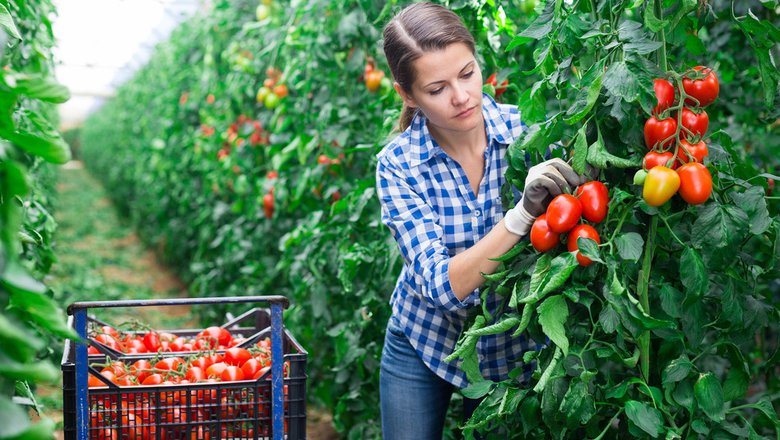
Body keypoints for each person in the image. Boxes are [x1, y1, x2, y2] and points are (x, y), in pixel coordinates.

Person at [376, 2, 589, 439]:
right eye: (436, 88)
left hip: (512, 348)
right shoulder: (398, 165)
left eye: (467, 74)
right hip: (425, 341)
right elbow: (441, 287)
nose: (461, 96)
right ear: (407, 94)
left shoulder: (527, 135)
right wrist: (521, 216)